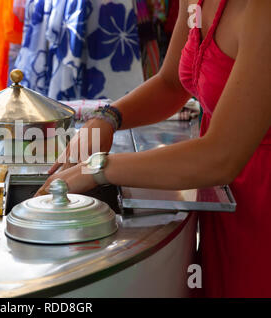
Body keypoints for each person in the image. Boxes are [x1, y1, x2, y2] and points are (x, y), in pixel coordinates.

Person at [36, 0, 271, 297]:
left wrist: (98, 168)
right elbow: (172, 83)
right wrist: (107, 119)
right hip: (224, 203)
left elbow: (222, 156)